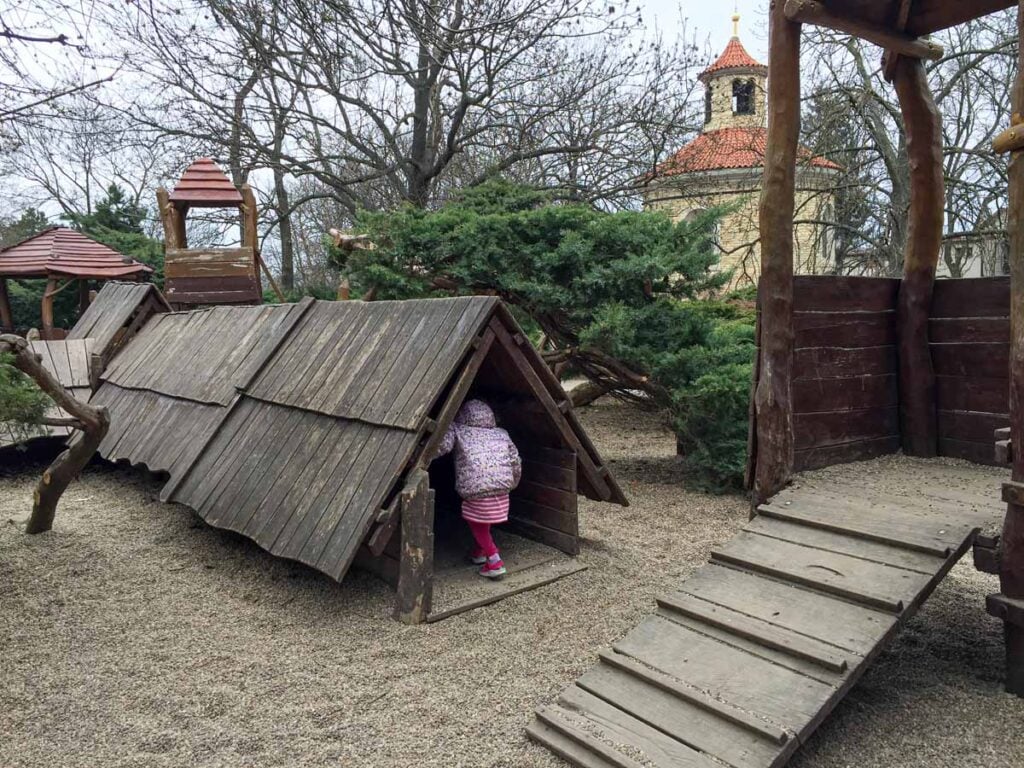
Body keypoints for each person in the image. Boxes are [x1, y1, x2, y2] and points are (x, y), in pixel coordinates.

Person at [436, 398, 521, 578]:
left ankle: (494, 560)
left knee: (477, 524)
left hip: (475, 488)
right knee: (483, 519)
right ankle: (480, 551)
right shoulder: (501, 433)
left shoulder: (457, 429)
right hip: (502, 487)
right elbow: (515, 460)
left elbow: (442, 447)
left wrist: (422, 453)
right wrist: (514, 482)